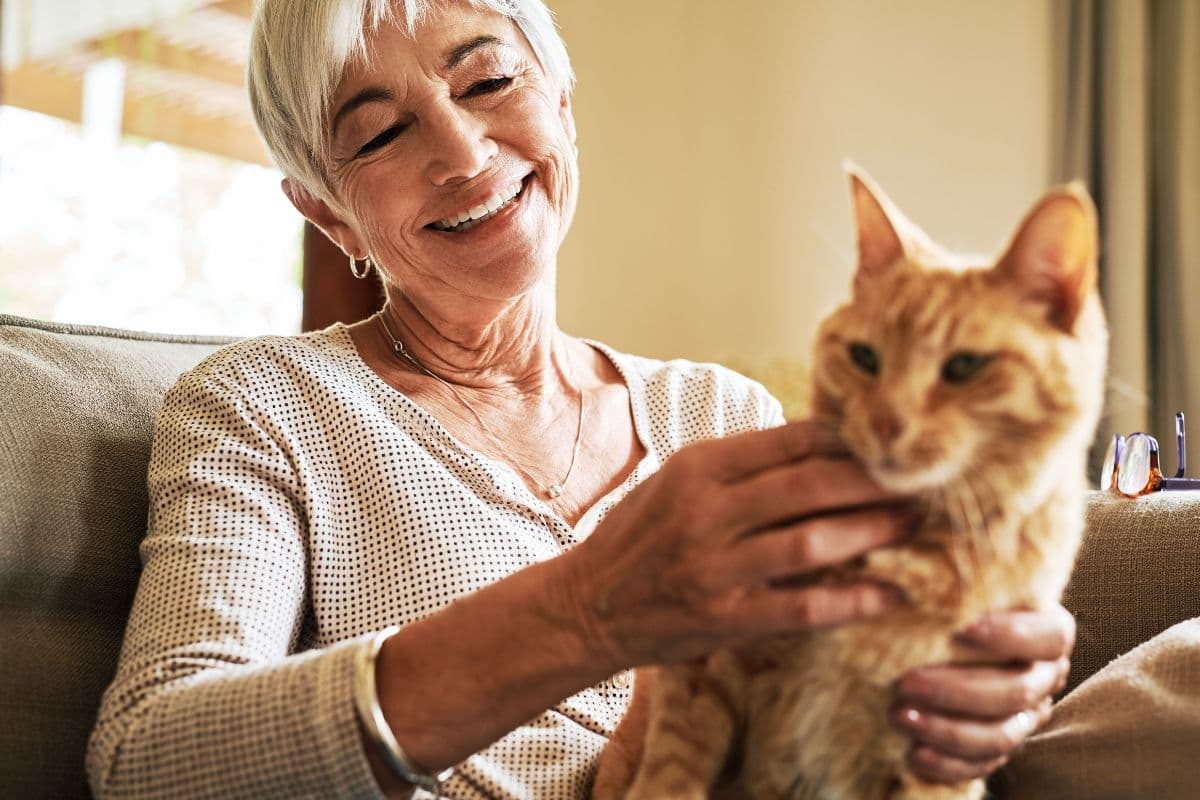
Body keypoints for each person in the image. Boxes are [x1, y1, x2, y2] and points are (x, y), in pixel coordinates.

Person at [86, 1, 1074, 797]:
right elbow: (144, 760)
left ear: (563, 103)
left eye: (490, 80)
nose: (465, 153)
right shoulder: (262, 406)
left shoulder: (722, 412)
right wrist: (586, 610)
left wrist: (988, 685)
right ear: (325, 210)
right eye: (382, 130)